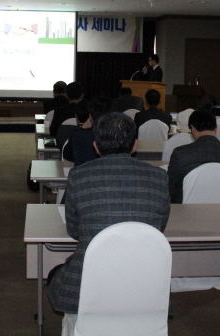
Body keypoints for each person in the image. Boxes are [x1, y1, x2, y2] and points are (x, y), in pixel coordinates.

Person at [47, 112, 170, 314]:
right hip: (143, 283)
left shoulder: (79, 176)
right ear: (135, 145)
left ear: (96, 146)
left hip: (88, 283)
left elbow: (74, 231)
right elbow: (159, 229)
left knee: (55, 273)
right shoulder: (159, 177)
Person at [167, 109, 220, 203]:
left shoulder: (180, 154)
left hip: (186, 211)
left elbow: (170, 190)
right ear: (216, 128)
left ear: (193, 128)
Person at [63, 96, 112, 167]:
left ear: (90, 117)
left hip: (83, 173)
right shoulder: (118, 135)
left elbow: (67, 155)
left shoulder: (77, 135)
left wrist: (83, 128)